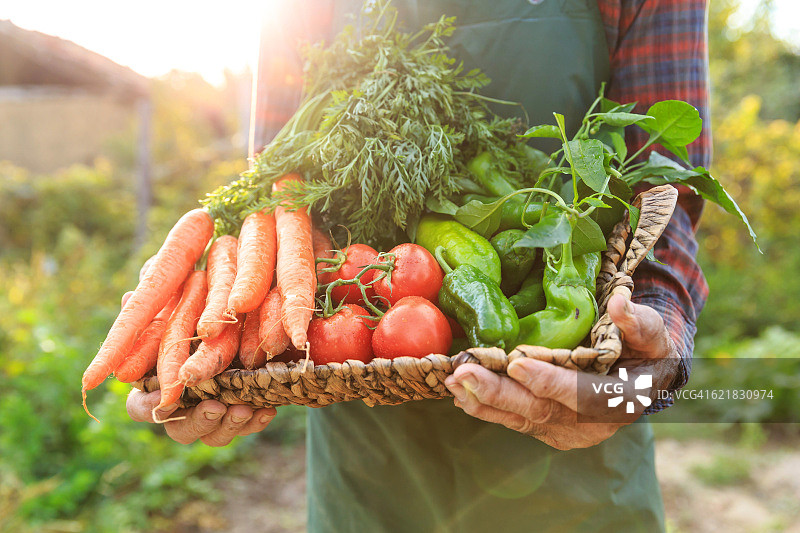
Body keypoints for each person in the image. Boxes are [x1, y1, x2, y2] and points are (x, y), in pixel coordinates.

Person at [127, 1, 710, 530]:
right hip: (361, 418)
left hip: (575, 437)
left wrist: (647, 367)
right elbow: (281, 186)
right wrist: (224, 343)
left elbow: (664, 188)